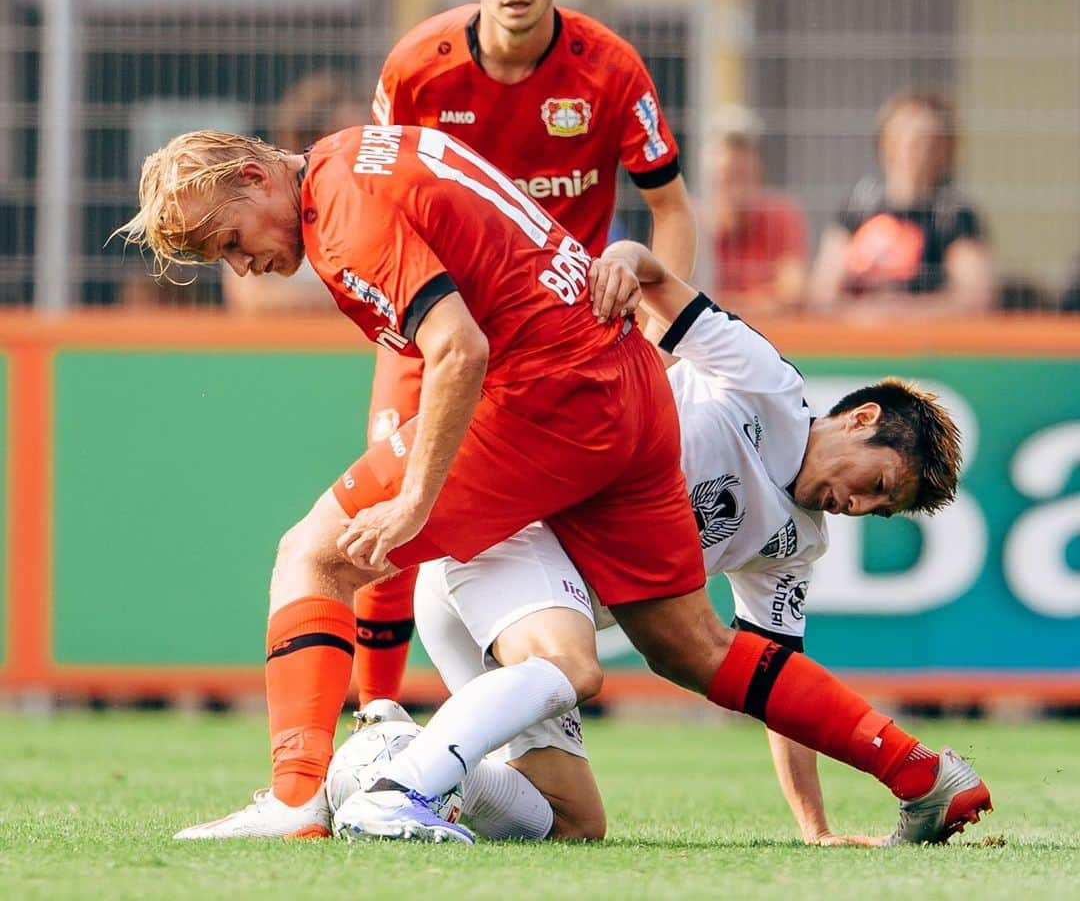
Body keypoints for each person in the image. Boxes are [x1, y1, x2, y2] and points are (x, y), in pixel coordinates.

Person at [118, 125, 990, 847]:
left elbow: (460, 348)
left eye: (230, 241)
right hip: (626, 401)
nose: (243, 267)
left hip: (550, 404)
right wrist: (623, 262)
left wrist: (417, 496)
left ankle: (308, 796)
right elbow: (634, 282)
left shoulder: (341, 211)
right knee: (673, 675)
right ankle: (922, 774)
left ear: (251, 175)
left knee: (313, 555)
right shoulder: (362, 155)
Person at [348, 242, 986, 847]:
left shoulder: (795, 544)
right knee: (577, 668)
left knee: (573, 822)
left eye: (879, 510)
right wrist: (624, 259)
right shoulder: (766, 384)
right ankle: (395, 786)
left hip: (535, 612)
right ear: (862, 418)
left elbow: (774, 685)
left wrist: (813, 827)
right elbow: (653, 278)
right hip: (512, 541)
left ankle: (390, 758)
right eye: (876, 484)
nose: (858, 507)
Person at [354, 0, 696, 707]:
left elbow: (671, 206)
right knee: (383, 508)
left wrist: (661, 324)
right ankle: (377, 716)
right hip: (439, 324)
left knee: (558, 527)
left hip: (561, 339)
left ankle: (530, 703)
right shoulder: (417, 68)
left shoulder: (609, 69)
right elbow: (373, 194)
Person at [808, 90, 993, 317]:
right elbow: (823, 291)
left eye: (925, 139)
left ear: (944, 149)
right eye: (904, 135)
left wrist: (900, 313)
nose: (912, 147)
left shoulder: (954, 215)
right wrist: (862, 315)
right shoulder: (860, 204)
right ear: (885, 141)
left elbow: (972, 299)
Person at [223, 73, 360, 315]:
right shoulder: (266, 208)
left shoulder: (373, 203)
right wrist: (357, 299)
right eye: (348, 135)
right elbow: (251, 299)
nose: (364, 146)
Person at [706, 105, 807, 314]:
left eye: (745, 153)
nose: (738, 161)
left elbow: (793, 293)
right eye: (729, 171)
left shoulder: (780, 215)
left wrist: (718, 307)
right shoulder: (692, 222)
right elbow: (672, 301)